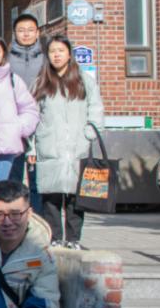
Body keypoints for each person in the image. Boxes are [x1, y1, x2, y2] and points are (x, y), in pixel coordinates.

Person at [31, 34, 105, 248]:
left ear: (69, 54)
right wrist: (32, 146)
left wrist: (89, 133)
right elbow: (32, 114)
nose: (57, 55)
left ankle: (73, 239)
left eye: (61, 51)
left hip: (76, 145)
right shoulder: (41, 81)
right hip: (49, 146)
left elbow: (96, 108)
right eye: (52, 51)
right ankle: (54, 238)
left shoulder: (84, 81)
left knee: (76, 197)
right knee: (51, 197)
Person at [0, 36, 40, 182]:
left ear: (3, 54)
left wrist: (19, 128)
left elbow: (29, 109)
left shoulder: (13, 79)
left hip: (6, 145)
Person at [7, 13, 46, 202]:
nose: (26, 34)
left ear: (37, 33)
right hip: (13, 123)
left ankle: (38, 215)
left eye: (30, 30)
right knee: (13, 176)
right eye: (21, 30)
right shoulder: (5, 59)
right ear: (14, 33)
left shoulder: (46, 59)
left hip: (41, 124)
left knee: (38, 179)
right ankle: (14, 213)